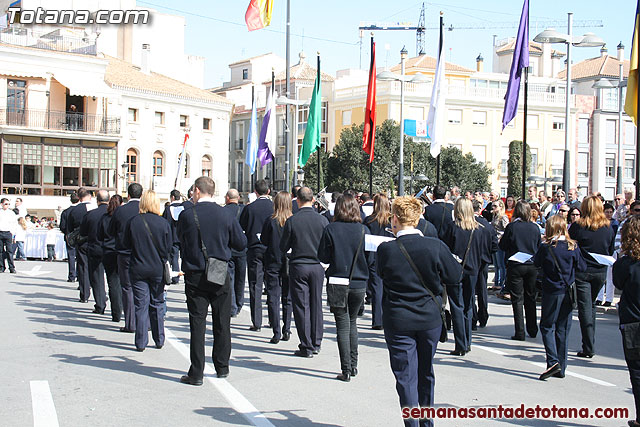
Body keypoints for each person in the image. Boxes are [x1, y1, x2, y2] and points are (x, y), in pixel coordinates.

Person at [377, 196, 462, 427]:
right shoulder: (435, 245)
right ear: (418, 218)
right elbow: (455, 276)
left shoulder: (386, 249)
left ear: (394, 219)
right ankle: (426, 422)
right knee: (426, 372)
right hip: (428, 318)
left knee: (405, 377)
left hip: (399, 318)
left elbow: (381, 275)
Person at [177, 176, 247, 384]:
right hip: (219, 270)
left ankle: (196, 372)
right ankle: (222, 366)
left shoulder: (187, 215)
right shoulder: (225, 214)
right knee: (222, 321)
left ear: (197, 191)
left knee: (197, 323)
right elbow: (240, 242)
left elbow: (180, 239)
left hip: (195, 272)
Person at [319, 194, 371, 381]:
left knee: (342, 324)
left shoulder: (331, 229)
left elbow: (323, 257)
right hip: (359, 282)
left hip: (337, 280)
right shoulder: (364, 230)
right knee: (353, 323)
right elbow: (370, 259)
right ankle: (354, 365)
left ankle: (346, 369)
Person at [535, 215, 586, 380]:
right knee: (563, 328)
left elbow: (536, 263)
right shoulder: (573, 246)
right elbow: (582, 267)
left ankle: (553, 360)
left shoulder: (547, 247)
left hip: (552, 290)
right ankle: (561, 367)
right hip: (568, 290)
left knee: (547, 326)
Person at [280, 186, 329, 358]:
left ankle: (306, 344)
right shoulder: (322, 221)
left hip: (299, 264)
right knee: (317, 304)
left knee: (301, 305)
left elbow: (283, 246)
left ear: (297, 200)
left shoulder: (292, 220)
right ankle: (316, 341)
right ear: (313, 200)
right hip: (317, 265)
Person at [122, 190, 171, 352]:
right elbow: (167, 248)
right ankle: (159, 338)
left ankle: (141, 341)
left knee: (140, 305)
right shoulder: (163, 223)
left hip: (138, 267)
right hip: (157, 268)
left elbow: (125, 245)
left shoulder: (133, 222)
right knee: (157, 303)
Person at [442, 198, 491, 355]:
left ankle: (460, 343)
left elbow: (444, 249)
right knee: (469, 305)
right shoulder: (480, 229)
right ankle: (467, 341)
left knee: (457, 305)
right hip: (473, 270)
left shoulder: (452, 227)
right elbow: (485, 253)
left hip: (455, 270)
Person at [569, 195, 615, 358]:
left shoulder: (578, 226)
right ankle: (589, 343)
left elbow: (570, 247)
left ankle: (588, 346)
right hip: (600, 270)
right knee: (591, 306)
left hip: (583, 270)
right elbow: (610, 250)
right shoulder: (608, 227)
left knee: (585, 308)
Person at [499, 201, 541, 340]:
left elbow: (503, 245)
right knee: (531, 297)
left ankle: (520, 331)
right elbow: (538, 246)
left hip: (516, 264)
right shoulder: (535, 227)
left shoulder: (512, 227)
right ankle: (533, 328)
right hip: (531, 264)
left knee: (517, 299)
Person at [613, 216, 640, 427]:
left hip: (632, 320)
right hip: (632, 319)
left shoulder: (625, 263)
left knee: (637, 372)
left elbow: (618, 283)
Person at [239, 179, 274, 331]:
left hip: (254, 248)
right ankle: (274, 321)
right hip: (271, 248)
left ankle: (257, 321)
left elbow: (242, 227)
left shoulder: (249, 208)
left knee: (255, 284)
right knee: (273, 285)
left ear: (255, 192)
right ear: (268, 192)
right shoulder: (274, 207)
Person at [109, 183, 143, 333]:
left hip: (124, 253)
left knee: (127, 288)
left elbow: (111, 231)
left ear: (128, 195)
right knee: (143, 288)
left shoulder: (121, 211)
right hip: (143, 253)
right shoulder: (144, 209)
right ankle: (144, 321)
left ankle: (130, 323)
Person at [260, 191, 293, 344]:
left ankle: (276, 331)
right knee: (287, 296)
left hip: (273, 260)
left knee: (273, 296)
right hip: (289, 261)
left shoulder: (270, 220)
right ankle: (287, 328)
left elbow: (264, 240)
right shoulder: (293, 220)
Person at [364, 193, 393, 330]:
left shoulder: (369, 220)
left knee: (376, 288)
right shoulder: (392, 220)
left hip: (374, 256)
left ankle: (377, 320)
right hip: (390, 256)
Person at [80, 190, 109, 315]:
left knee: (96, 278)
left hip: (94, 248)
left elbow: (83, 232)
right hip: (110, 249)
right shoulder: (113, 213)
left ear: (97, 201)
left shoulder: (90, 214)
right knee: (114, 279)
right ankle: (118, 306)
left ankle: (100, 303)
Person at [472, 199, 498, 330]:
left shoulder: (468, 223)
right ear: (480, 208)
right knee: (482, 289)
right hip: (484, 259)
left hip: (471, 260)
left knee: (470, 289)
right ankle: (483, 315)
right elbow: (495, 245)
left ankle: (473, 315)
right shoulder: (487, 225)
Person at [97, 194, 123, 322]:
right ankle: (124, 309)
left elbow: (99, 235)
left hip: (108, 251)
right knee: (124, 283)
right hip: (120, 251)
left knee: (113, 283)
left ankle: (116, 312)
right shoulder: (122, 218)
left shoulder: (105, 218)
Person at [224, 189, 247, 317]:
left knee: (230, 278)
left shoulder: (223, 211)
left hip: (229, 248)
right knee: (241, 278)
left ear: (227, 198)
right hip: (242, 248)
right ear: (238, 197)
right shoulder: (244, 210)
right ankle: (240, 302)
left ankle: (232, 306)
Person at [67, 188, 93, 302]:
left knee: (83, 267)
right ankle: (99, 294)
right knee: (96, 268)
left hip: (81, 240)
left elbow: (68, 228)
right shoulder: (95, 208)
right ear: (90, 197)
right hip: (95, 240)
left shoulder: (74, 210)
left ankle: (84, 294)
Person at [597, 203, 619, 306]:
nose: (609, 214)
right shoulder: (600, 223)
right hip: (602, 250)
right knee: (602, 276)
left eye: (611, 212)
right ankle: (599, 297)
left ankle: (609, 298)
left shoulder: (615, 224)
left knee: (610, 277)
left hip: (612, 250)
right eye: (607, 212)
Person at [162, 189, 183, 285]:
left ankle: (174, 276)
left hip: (173, 236)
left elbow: (164, 223)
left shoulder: (168, 209)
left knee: (174, 256)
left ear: (172, 197)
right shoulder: (184, 208)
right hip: (183, 237)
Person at [59, 192, 79, 282]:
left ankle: (71, 276)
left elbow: (62, 226)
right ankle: (80, 275)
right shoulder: (81, 210)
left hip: (69, 235)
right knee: (80, 256)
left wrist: (66, 232)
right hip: (79, 235)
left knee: (71, 256)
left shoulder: (65, 212)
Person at [491, 200, 509, 296]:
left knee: (501, 264)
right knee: (496, 264)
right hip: (494, 241)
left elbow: (506, 230)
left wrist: (501, 239)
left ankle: (501, 283)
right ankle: (497, 282)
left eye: (495, 206)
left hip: (500, 242)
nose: (493, 208)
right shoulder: (494, 216)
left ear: (501, 207)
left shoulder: (503, 217)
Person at [0, 198, 17, 273]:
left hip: (8, 233)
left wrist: (13, 233)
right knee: (0, 251)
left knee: (9, 251)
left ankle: (11, 267)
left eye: (8, 204)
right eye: (6, 204)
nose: (7, 205)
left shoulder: (11, 213)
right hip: (0, 232)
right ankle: (1, 267)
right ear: (1, 204)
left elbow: (14, 224)